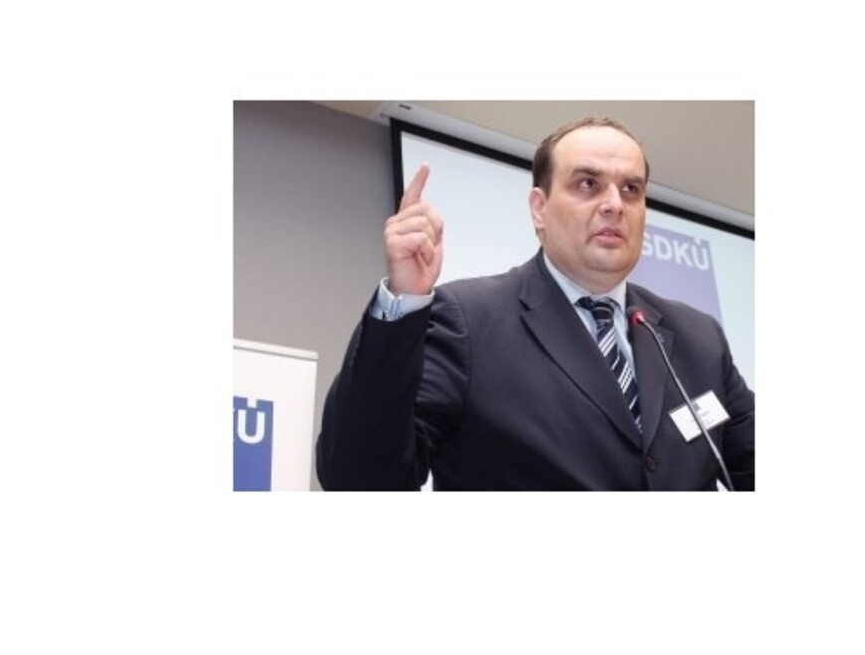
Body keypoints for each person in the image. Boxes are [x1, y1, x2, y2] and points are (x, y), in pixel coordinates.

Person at [316, 117, 754, 490]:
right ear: (539, 208)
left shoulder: (699, 339)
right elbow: (360, 477)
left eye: (631, 189)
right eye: (588, 184)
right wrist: (403, 300)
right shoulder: (468, 320)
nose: (614, 204)